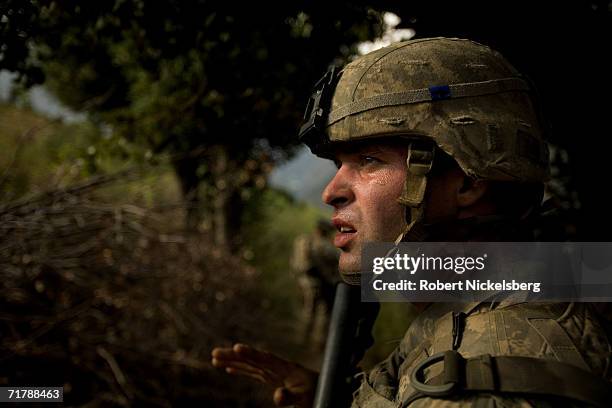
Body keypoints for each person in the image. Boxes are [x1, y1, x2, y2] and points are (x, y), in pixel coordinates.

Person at [211, 37, 612, 407]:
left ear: (469, 184)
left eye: (369, 161)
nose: (330, 192)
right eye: (339, 164)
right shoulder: (473, 304)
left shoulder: (487, 376)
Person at [290, 219, 339, 350]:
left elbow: (294, 262)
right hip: (319, 283)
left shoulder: (302, 240)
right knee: (322, 312)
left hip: (302, 281)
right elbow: (337, 260)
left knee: (307, 309)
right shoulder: (323, 244)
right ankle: (314, 345)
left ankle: (300, 341)